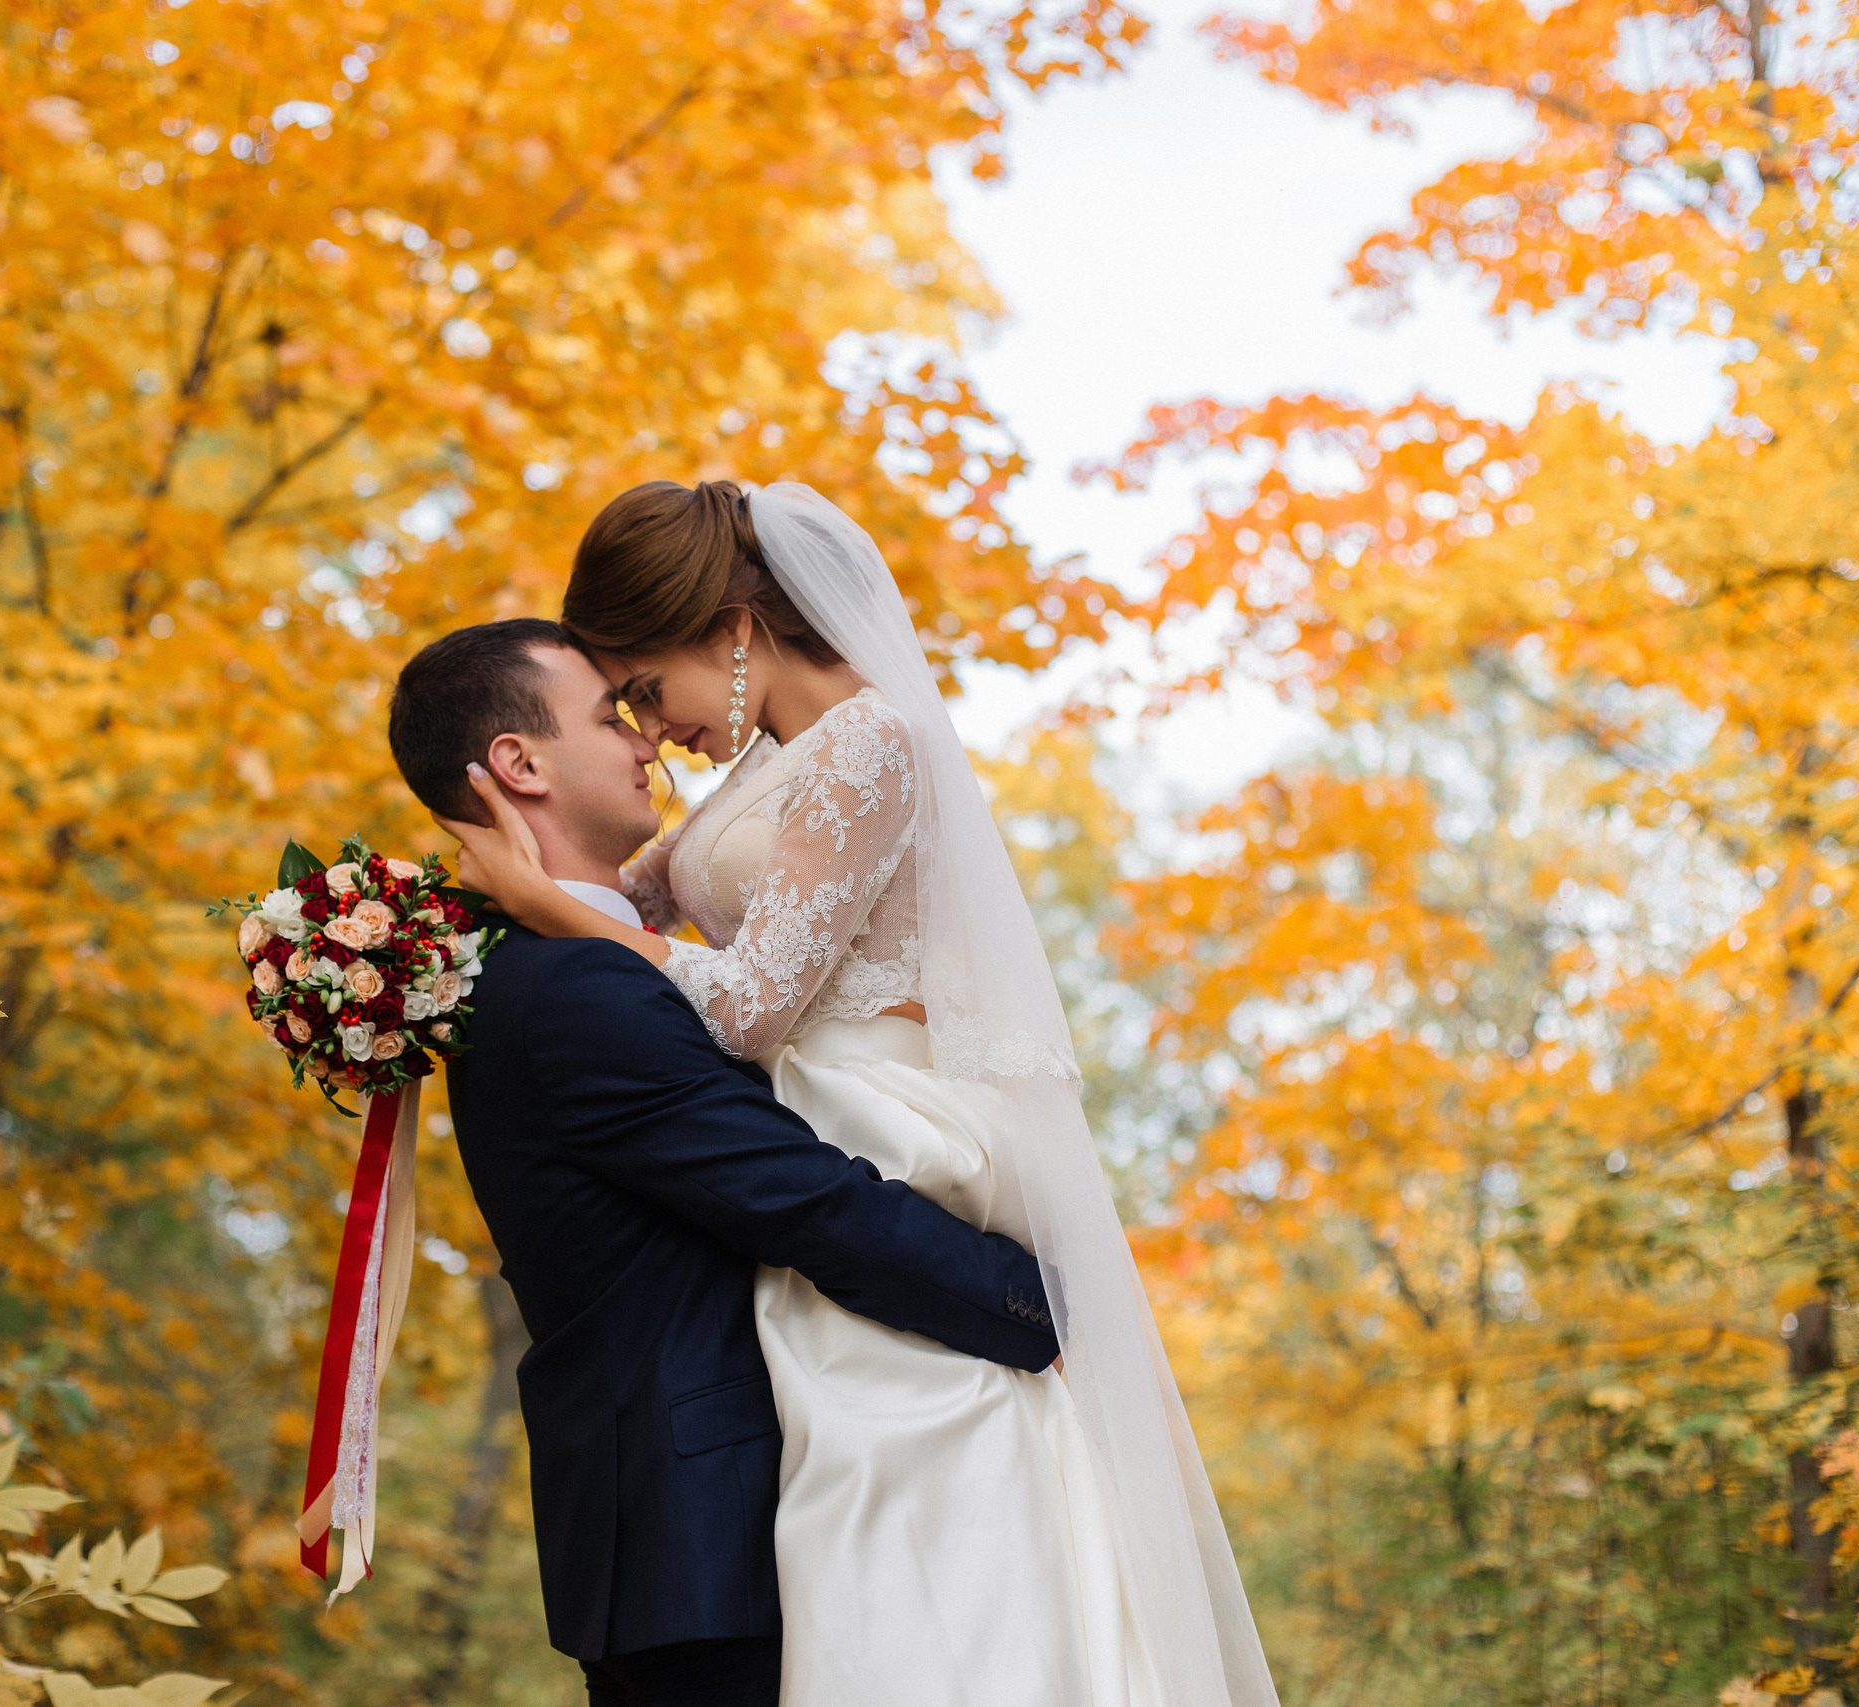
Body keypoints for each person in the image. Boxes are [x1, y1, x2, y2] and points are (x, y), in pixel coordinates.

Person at [441, 484, 1280, 1707]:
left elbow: (745, 1005)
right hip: (809, 1104)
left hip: (877, 1110)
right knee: (847, 1455)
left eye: (646, 689)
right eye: (622, 707)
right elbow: (640, 907)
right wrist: (425, 927)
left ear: (733, 629)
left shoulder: (871, 739)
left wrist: (546, 908)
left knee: (904, 1441)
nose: (651, 731)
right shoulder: (758, 769)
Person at [385, 617, 1064, 1707]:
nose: (646, 739)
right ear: (519, 764)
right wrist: (1037, 1305)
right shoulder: (571, 990)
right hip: (709, 1549)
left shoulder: (546, 967)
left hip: (696, 1546)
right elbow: (801, 1198)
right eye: (610, 715)